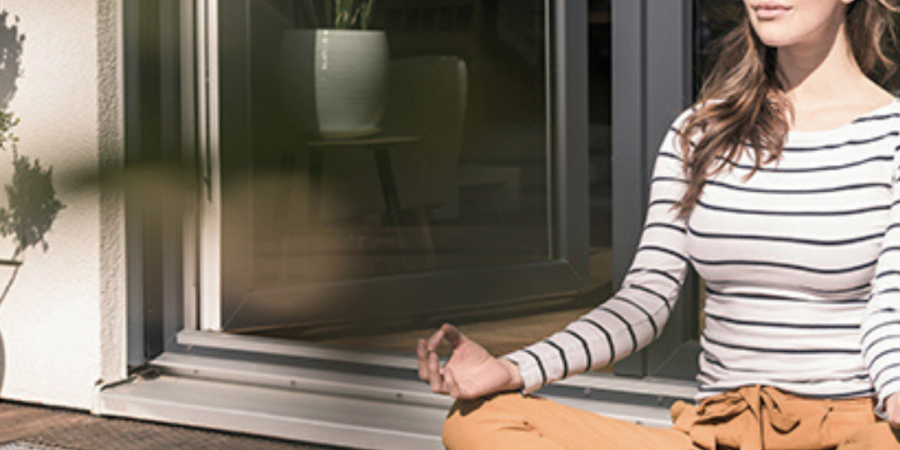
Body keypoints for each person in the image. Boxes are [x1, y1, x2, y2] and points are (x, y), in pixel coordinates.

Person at [417, 1, 900, 449]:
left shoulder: (892, 136)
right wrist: (511, 367)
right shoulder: (700, 133)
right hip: (719, 431)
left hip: (848, 432)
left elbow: (890, 316)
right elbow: (642, 303)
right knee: (477, 423)